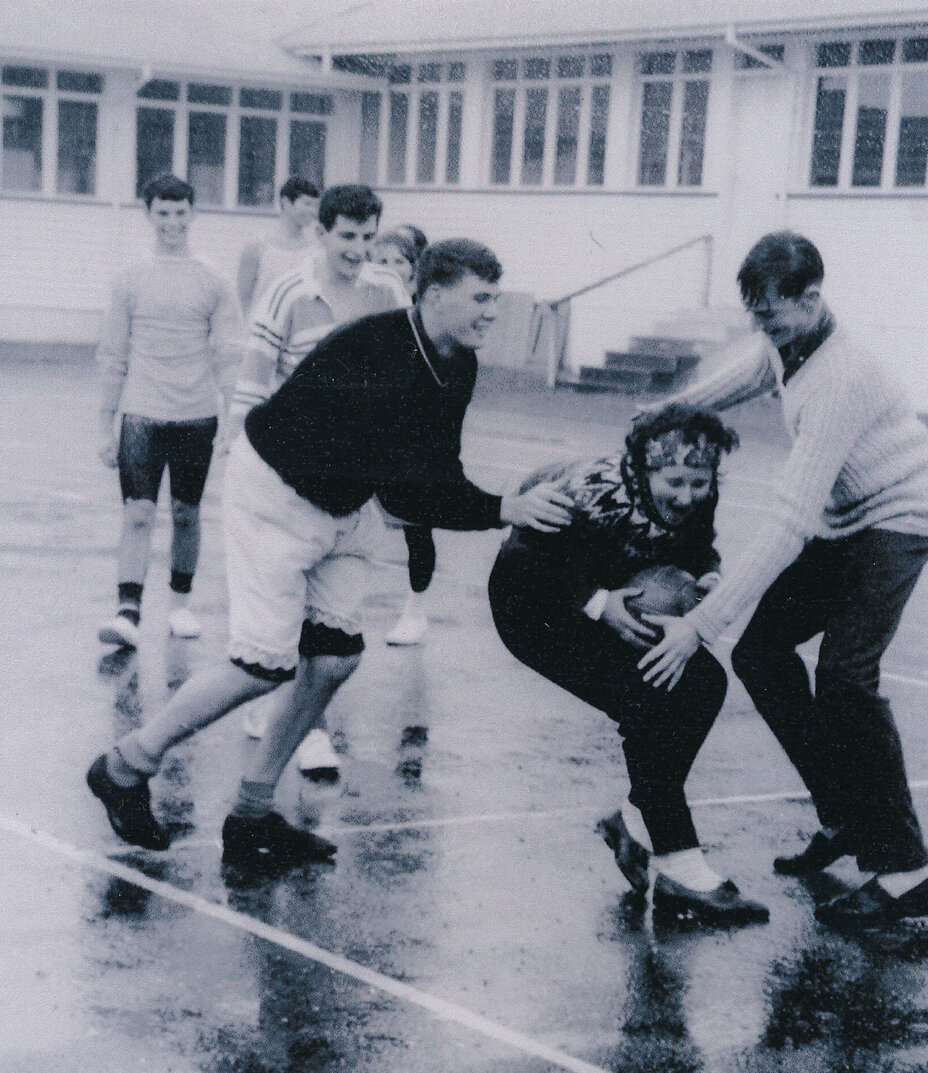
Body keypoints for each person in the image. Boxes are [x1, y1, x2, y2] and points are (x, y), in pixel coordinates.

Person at [86, 240, 573, 871]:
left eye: (495, 299)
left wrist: (490, 504)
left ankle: (252, 815)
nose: (492, 313)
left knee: (334, 660)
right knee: (262, 666)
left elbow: (437, 467)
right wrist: (502, 508)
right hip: (275, 497)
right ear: (432, 294)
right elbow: (409, 488)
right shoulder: (377, 351)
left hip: (345, 506)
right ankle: (125, 767)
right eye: (481, 299)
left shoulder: (459, 362)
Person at [637, 231, 928, 930]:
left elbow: (787, 522)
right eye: (754, 314)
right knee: (761, 653)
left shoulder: (843, 375)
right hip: (846, 519)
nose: (762, 327)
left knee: (845, 677)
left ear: (811, 299)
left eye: (772, 315)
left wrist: (699, 624)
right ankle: (842, 816)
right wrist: (674, 411)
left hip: (899, 517)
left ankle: (907, 870)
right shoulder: (791, 339)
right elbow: (753, 369)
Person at [490, 404, 767, 925]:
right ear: (642, 468)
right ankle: (680, 864)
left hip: (616, 595)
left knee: (703, 681)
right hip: (534, 607)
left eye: (700, 482)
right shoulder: (585, 492)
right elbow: (522, 563)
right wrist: (599, 603)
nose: (687, 496)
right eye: (675, 481)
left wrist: (705, 578)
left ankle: (635, 821)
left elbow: (698, 547)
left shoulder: (696, 491)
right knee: (649, 698)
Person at [230, 184, 407, 776]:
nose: (358, 250)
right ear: (322, 233)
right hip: (286, 474)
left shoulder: (388, 293)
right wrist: (240, 462)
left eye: (367, 237)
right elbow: (254, 383)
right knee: (278, 620)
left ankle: (301, 727)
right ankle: (276, 714)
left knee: (329, 622)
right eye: (347, 237)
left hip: (349, 480)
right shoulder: (288, 292)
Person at [95, 174, 244, 649]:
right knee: (138, 513)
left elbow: (228, 354)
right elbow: (113, 355)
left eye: (181, 213)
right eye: (163, 213)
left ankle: (180, 605)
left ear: (193, 214)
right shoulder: (129, 277)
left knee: (186, 511)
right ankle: (127, 612)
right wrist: (105, 426)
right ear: (150, 215)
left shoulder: (214, 279)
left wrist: (232, 423)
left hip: (197, 414)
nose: (173, 223)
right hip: (141, 412)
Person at [371, 225, 440, 647]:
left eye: (399, 262)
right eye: (382, 261)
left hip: (413, 436)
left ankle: (416, 610)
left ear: (414, 272)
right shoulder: (360, 309)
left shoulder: (426, 320)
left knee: (417, 524)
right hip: (364, 434)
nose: (390, 270)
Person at [235, 176, 320, 316]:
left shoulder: (316, 250)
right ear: (286, 202)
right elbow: (243, 298)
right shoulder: (257, 247)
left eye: (315, 206)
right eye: (307, 204)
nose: (312, 211)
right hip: (262, 329)